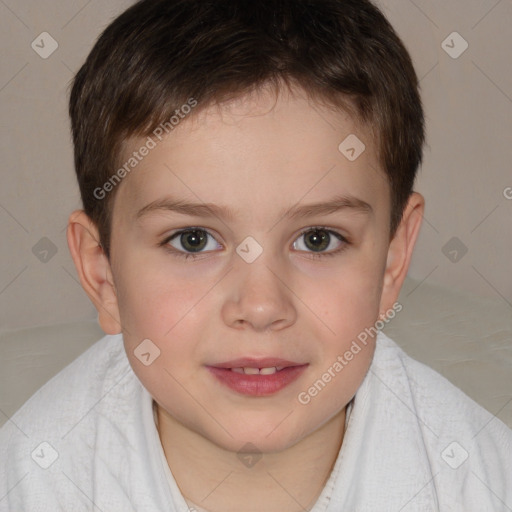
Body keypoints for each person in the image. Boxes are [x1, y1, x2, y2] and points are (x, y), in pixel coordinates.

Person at [1, 0, 510, 510]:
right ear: (103, 275)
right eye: (193, 240)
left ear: (392, 262)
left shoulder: (478, 478)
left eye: (317, 239)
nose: (262, 306)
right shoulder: (33, 480)